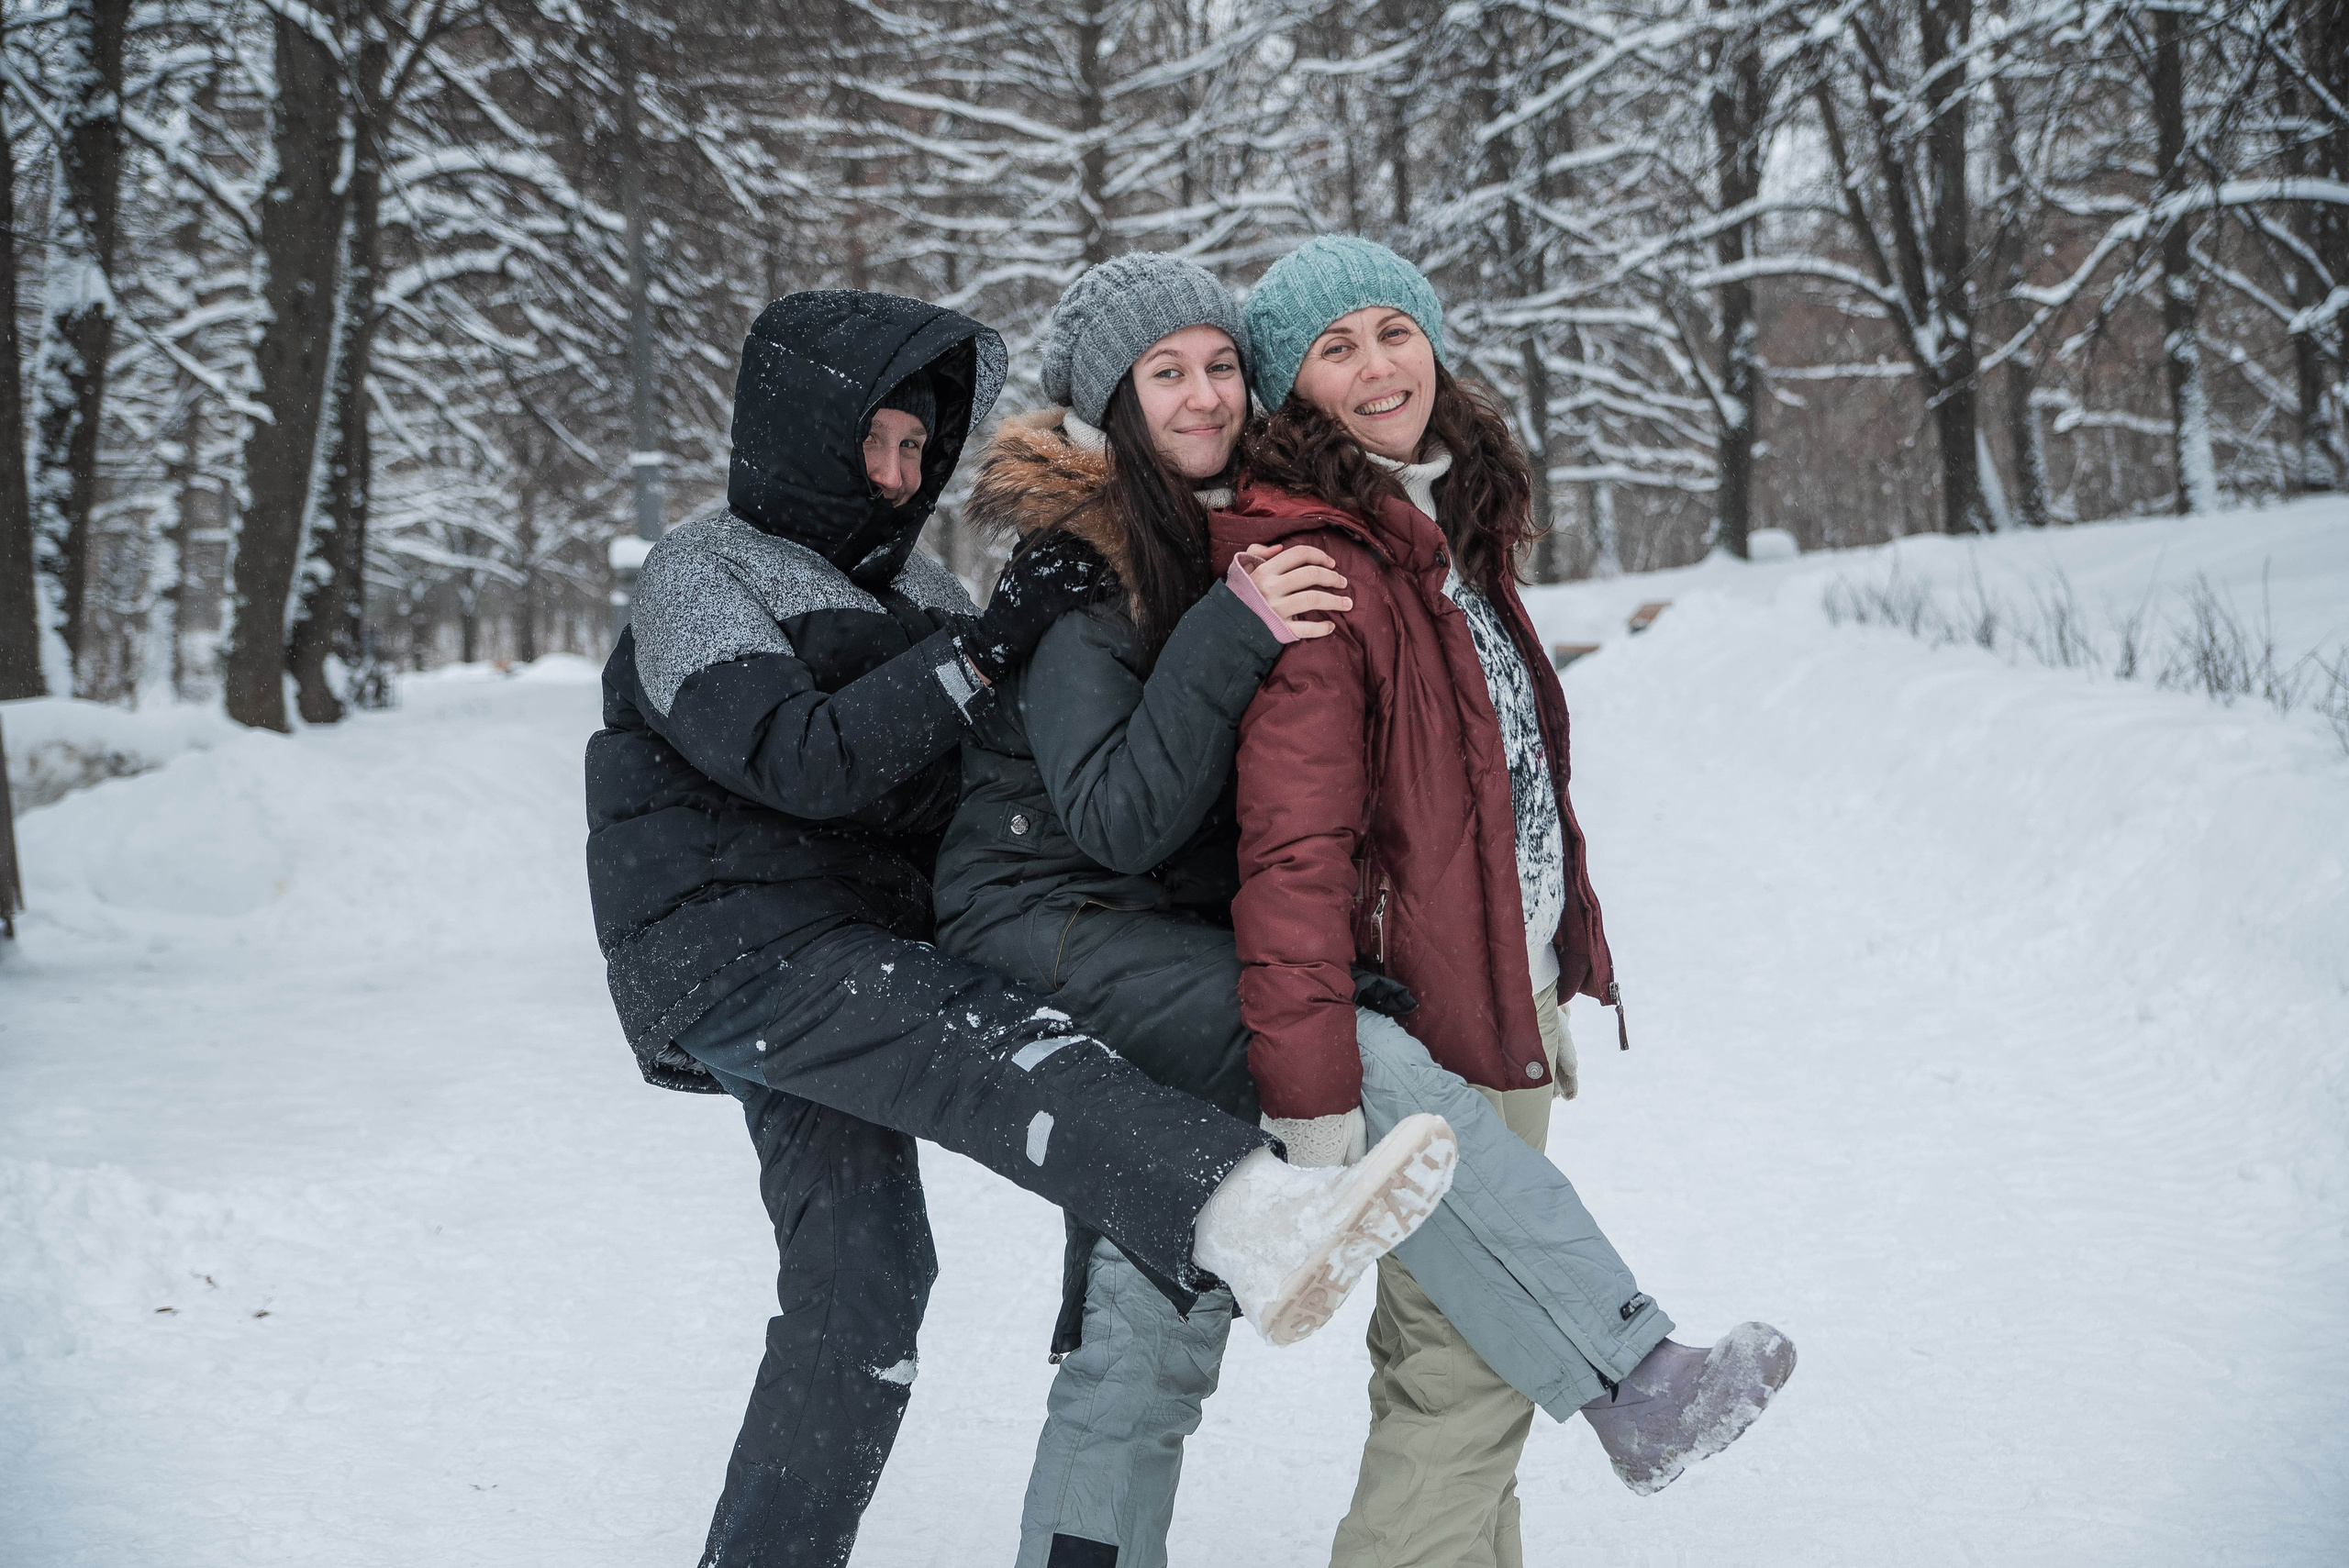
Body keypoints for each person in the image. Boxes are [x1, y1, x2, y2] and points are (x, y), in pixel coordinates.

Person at [582, 287, 1461, 1568]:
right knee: (988, 1039)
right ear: (797, 435)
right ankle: (1242, 1212)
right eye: (872, 444)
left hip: (852, 957)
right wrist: (989, 646)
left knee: (866, 1283)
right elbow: (800, 756)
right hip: (738, 942)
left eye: (913, 453)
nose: (894, 476)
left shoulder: (921, 583)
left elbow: (991, 788)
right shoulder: (698, 574)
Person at [1214, 235, 1798, 1564]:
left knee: (1467, 1365)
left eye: (1394, 329)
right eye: (1334, 346)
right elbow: (1293, 852)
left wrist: (1545, 960)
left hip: (1494, 988)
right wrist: (1314, 1095)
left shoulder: (1437, 525)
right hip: (1423, 1020)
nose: (1377, 365)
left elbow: (1503, 780)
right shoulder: (1322, 562)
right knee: (1462, 1381)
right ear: (1291, 386)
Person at [935, 253, 1359, 1568]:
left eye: (1220, 363)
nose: (1203, 394)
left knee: (1149, 1271)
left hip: (1136, 927)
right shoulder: (1082, 566)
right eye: (1164, 372)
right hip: (1040, 914)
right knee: (1161, 1258)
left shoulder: (1202, 529)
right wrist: (1232, 629)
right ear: (1113, 402)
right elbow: (1120, 813)